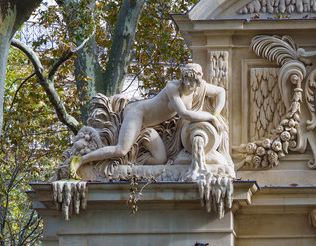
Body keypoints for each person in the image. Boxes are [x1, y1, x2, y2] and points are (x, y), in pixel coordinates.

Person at [72, 62, 227, 176]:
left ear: (198, 81)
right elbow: (184, 113)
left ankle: (134, 163)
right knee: (121, 149)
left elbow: (220, 92)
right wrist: (211, 118)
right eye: (186, 79)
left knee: (161, 159)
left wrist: (216, 113)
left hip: (149, 128)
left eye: (192, 81)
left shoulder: (200, 88)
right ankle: (81, 160)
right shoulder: (173, 88)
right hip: (137, 114)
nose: (188, 83)